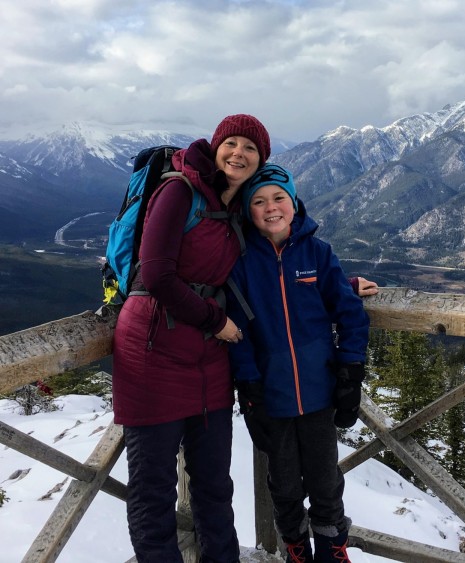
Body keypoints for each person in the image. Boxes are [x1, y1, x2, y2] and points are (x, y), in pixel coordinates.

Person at [112, 113, 272, 562]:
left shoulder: (239, 204)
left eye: (250, 148)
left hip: (207, 359)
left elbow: (280, 248)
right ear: (216, 146)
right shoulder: (179, 190)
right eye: (232, 143)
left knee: (215, 484)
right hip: (151, 349)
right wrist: (215, 321)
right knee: (153, 489)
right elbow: (157, 273)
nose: (239, 153)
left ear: (260, 160)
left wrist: (342, 283)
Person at [227, 164, 371, 563]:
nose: (271, 208)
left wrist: (350, 370)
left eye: (279, 198)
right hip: (271, 397)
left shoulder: (317, 253)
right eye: (258, 201)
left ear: (294, 203)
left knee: (326, 480)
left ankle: (330, 546)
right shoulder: (239, 263)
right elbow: (236, 331)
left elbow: (350, 313)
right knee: (285, 483)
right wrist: (249, 384)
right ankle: (295, 546)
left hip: (320, 393)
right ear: (247, 210)